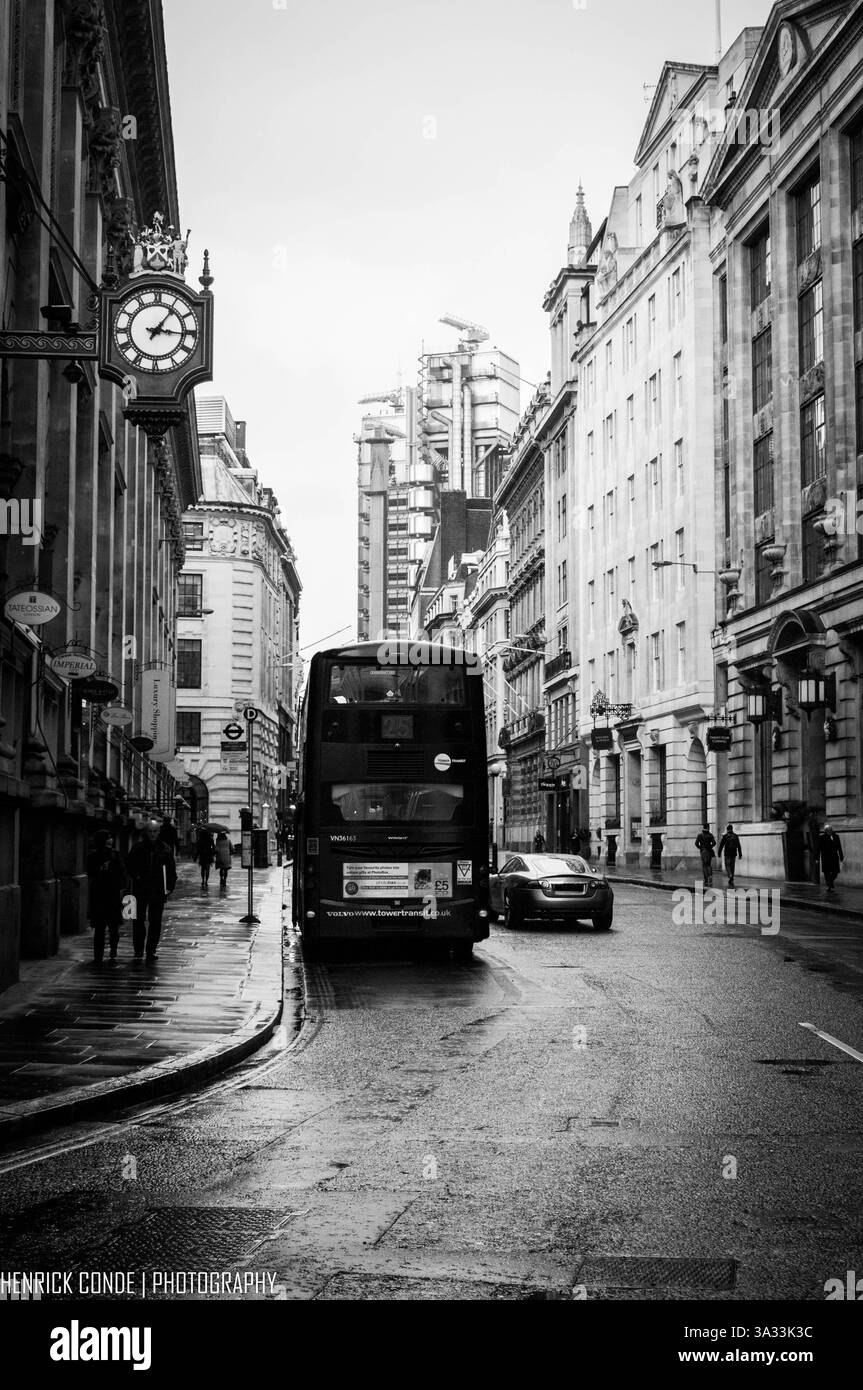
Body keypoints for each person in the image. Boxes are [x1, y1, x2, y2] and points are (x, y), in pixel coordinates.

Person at [127, 820, 177, 962]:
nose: (153, 834)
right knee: (137, 920)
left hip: (157, 890)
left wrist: (169, 886)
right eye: (150, 831)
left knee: (155, 922)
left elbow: (171, 870)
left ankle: (151, 950)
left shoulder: (165, 849)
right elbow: (129, 865)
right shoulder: (137, 848)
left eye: (155, 831)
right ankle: (138, 950)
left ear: (159, 832)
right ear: (146, 832)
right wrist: (136, 876)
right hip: (139, 890)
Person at [86, 829, 127, 964]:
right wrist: (100, 870)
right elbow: (90, 872)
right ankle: (98, 955)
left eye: (111, 837)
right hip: (99, 894)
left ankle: (113, 951)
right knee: (99, 927)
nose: (110, 840)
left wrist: (121, 886)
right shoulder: (93, 856)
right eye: (107, 838)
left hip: (112, 894)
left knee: (114, 927)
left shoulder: (115, 854)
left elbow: (122, 872)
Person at [818, 824, 844, 894]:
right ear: (825, 831)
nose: (829, 831)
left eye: (830, 830)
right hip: (825, 857)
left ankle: (830, 883)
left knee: (835, 872)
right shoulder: (821, 837)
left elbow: (839, 847)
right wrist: (816, 858)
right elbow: (818, 848)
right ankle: (829, 886)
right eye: (828, 830)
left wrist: (841, 856)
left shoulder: (836, 836)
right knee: (826, 872)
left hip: (834, 857)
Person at [695, 823, 717, 887]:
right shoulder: (710, 835)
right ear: (708, 827)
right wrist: (710, 847)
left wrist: (701, 848)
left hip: (703, 851)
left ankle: (706, 879)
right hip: (709, 851)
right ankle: (710, 876)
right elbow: (714, 843)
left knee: (704, 865)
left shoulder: (700, 835)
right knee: (709, 865)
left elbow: (696, 843)